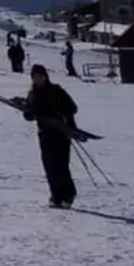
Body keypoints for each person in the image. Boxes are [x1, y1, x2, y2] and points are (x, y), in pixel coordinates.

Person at [22, 65, 78, 208]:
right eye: (35, 76)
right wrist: (28, 113)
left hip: (60, 133)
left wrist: (65, 121)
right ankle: (56, 195)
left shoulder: (56, 91)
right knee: (49, 166)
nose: (38, 79)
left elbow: (72, 108)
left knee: (61, 165)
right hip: (45, 134)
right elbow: (29, 112)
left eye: (40, 76)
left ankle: (68, 195)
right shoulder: (32, 93)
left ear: (46, 76)